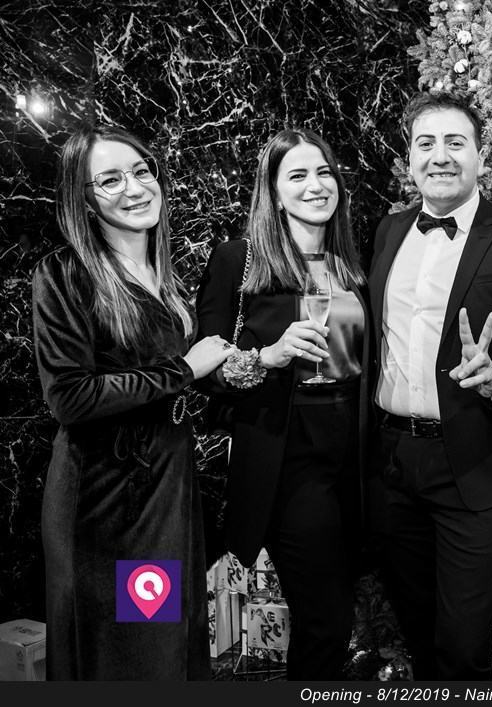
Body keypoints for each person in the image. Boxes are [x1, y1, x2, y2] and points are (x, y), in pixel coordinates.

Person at [366, 91, 492, 680]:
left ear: (481, 156)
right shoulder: (388, 231)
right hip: (392, 465)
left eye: (455, 142)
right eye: (426, 143)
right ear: (409, 159)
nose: (440, 156)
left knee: (463, 649)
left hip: (475, 464)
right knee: (416, 635)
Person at [33, 126, 232, 680]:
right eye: (111, 180)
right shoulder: (64, 274)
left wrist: (253, 362)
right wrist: (185, 369)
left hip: (164, 492)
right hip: (104, 503)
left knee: (159, 647)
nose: (135, 188)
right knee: (115, 655)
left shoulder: (163, 273)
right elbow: (69, 398)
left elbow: (179, 375)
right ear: (83, 199)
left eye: (142, 171)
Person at [195, 128, 369, 679]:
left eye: (324, 172)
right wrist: (268, 357)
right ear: (273, 191)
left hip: (356, 453)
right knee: (325, 620)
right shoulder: (239, 260)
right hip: (289, 453)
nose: (316, 185)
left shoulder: (352, 261)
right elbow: (205, 369)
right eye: (297, 175)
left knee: (339, 610)